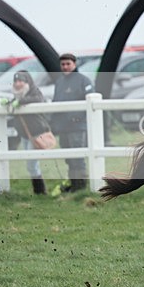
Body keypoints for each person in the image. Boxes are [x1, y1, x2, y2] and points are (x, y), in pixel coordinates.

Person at [51, 53, 93, 192]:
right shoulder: (59, 82)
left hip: (77, 126)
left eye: (68, 64)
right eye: (63, 64)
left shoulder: (84, 80)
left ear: (74, 64)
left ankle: (81, 186)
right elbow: (56, 103)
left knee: (78, 157)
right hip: (63, 127)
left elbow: (90, 100)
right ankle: (73, 185)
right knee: (68, 157)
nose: (65, 67)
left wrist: (78, 117)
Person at [10, 71, 50, 194]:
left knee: (31, 163)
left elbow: (38, 99)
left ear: (27, 82)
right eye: (15, 81)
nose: (17, 84)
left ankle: (40, 191)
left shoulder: (34, 92)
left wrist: (20, 102)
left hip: (36, 133)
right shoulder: (17, 96)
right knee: (31, 163)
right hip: (25, 134)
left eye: (20, 81)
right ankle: (39, 191)